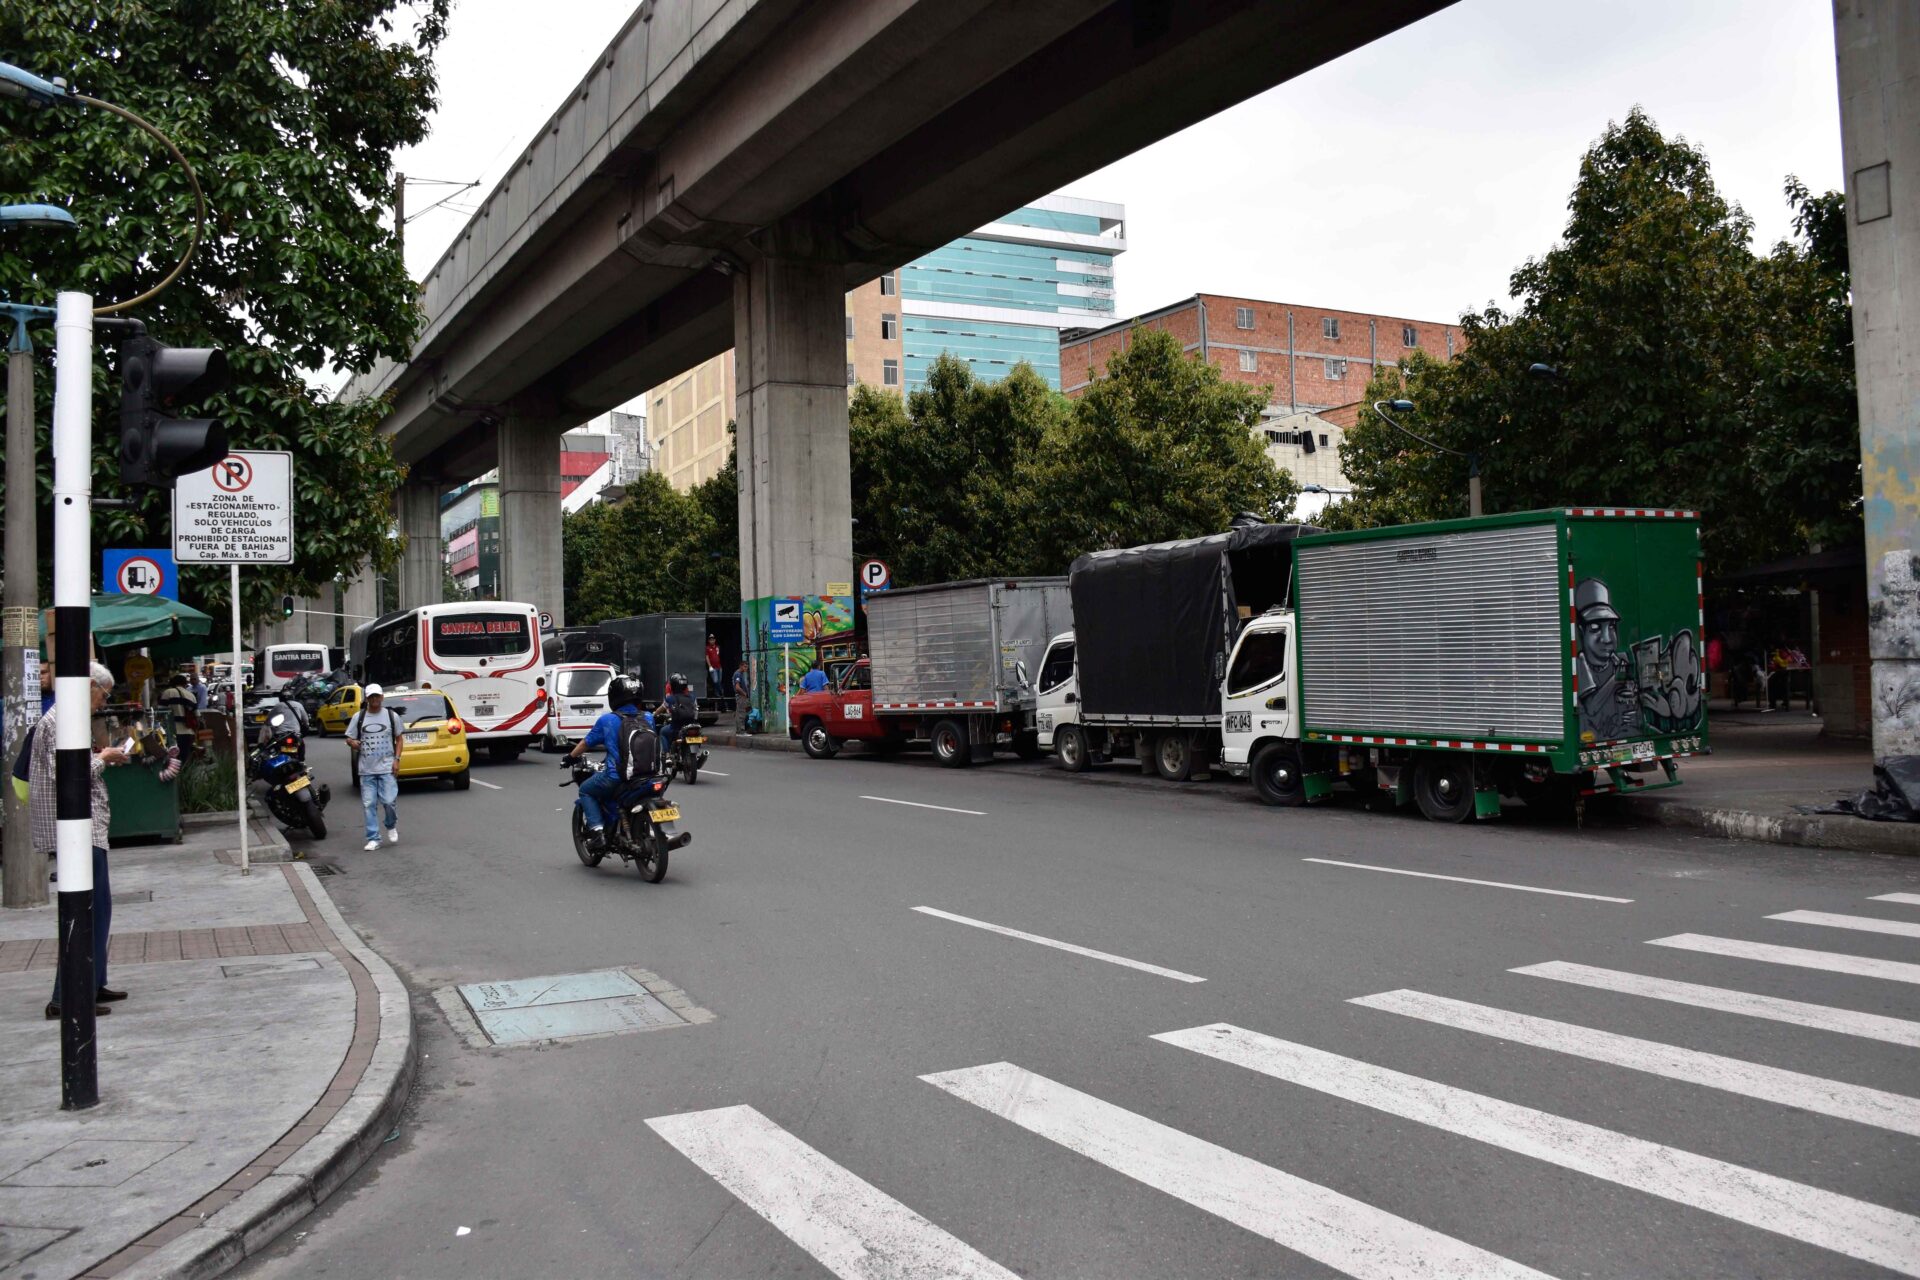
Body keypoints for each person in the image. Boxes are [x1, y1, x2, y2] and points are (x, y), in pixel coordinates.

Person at [32, 662, 130, 1019]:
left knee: (99, 909)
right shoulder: (61, 720)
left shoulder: (67, 718)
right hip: (77, 828)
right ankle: (66, 996)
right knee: (85, 912)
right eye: (103, 696)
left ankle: (92, 981)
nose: (103, 704)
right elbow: (69, 771)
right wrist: (103, 757)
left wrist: (101, 757)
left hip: (88, 827)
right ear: (88, 686)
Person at [567, 675, 649, 850]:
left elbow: (585, 743)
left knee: (585, 790)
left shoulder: (607, 720)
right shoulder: (648, 718)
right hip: (648, 776)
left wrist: (570, 757)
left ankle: (597, 833)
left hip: (616, 776)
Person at [345, 683, 404, 852]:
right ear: (367, 699)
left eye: (377, 696)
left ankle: (390, 824)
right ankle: (373, 838)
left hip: (386, 766)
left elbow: (399, 739)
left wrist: (397, 759)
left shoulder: (392, 716)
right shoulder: (359, 717)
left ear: (382, 697)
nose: (375, 699)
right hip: (366, 769)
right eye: (371, 697)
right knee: (369, 804)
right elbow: (349, 738)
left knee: (389, 802)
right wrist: (353, 743)